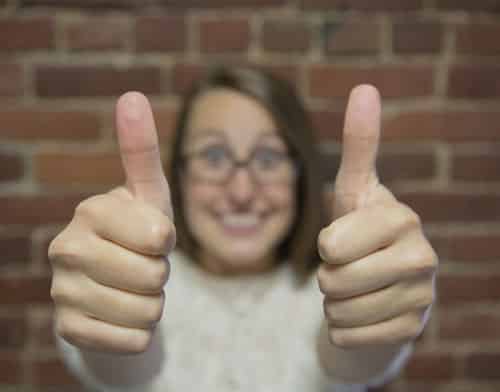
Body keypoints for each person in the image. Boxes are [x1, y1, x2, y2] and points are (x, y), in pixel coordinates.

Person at [49, 66, 438, 391]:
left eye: (268, 157)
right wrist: (113, 315)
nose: (241, 191)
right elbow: (121, 369)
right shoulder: (127, 277)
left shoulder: (330, 289)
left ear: (300, 172)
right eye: (213, 155)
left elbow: (353, 359)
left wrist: (374, 300)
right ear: (179, 174)